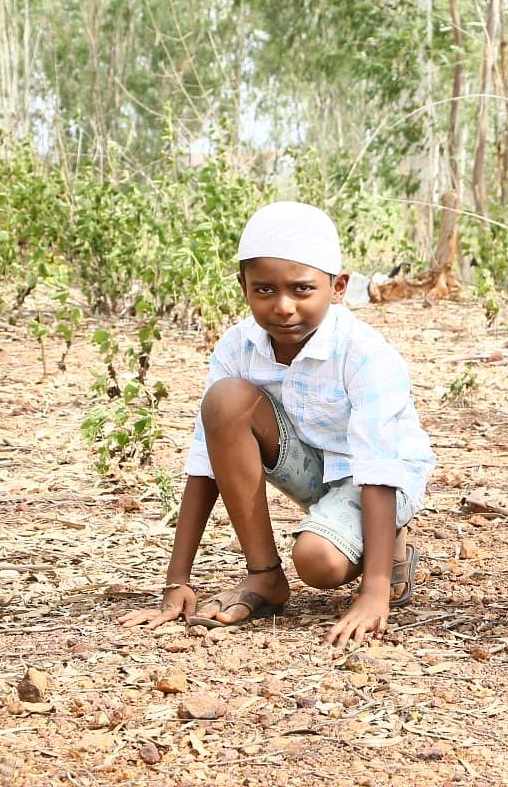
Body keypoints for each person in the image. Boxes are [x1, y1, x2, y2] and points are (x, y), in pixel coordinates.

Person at [119, 201, 434, 648]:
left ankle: (385, 545)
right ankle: (265, 576)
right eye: (264, 290)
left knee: (319, 563)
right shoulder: (237, 346)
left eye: (303, 289)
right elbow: (207, 459)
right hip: (313, 471)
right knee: (227, 400)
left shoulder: (365, 353)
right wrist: (177, 582)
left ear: (338, 287)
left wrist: (374, 591)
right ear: (243, 286)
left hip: (386, 479)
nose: (283, 307)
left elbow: (380, 467)